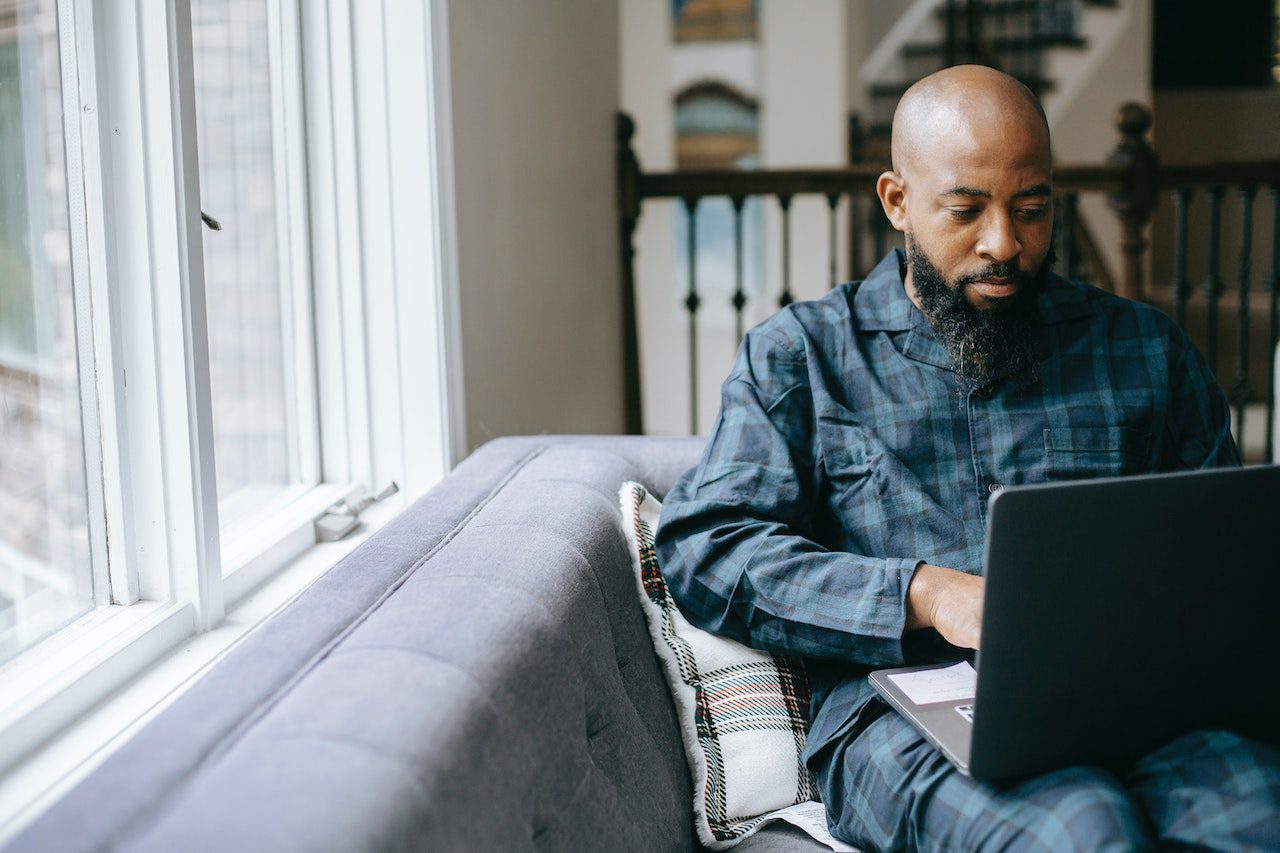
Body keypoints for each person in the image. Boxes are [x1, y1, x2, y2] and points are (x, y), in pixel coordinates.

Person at [653, 65, 1280, 851]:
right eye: (966, 210)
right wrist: (922, 592)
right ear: (897, 201)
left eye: (1032, 208)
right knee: (1083, 831)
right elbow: (706, 545)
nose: (1005, 245)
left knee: (1260, 816)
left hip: (1136, 705)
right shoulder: (803, 357)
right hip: (907, 715)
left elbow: (1233, 555)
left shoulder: (1144, 349)